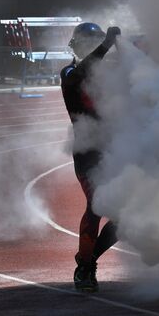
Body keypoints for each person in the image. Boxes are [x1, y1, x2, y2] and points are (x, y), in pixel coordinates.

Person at [60, 23, 121, 292]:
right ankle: (85, 268)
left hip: (115, 152)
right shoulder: (70, 72)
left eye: (94, 42)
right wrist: (107, 45)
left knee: (128, 217)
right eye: (88, 43)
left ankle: (88, 258)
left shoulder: (109, 77)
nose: (92, 47)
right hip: (87, 153)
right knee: (96, 205)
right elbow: (79, 75)